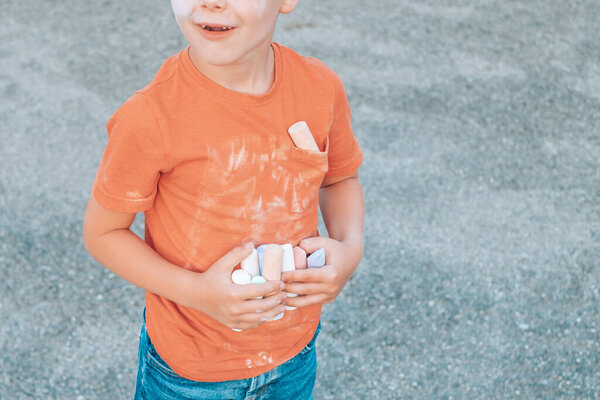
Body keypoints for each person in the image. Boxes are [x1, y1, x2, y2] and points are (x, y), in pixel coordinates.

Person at [83, 0, 364, 398]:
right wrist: (198, 293)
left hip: (295, 354)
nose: (210, 2)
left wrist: (349, 248)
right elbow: (103, 233)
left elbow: (340, 179)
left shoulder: (319, 87)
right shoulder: (150, 116)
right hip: (188, 373)